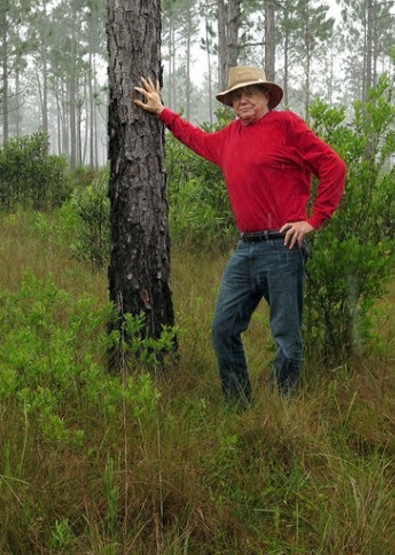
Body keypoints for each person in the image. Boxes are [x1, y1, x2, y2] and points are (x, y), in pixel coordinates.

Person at [133, 65, 346, 407]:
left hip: (283, 247)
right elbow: (196, 139)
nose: (242, 99)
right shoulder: (229, 136)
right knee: (223, 328)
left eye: (250, 93)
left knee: (287, 338)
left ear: (266, 97)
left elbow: (333, 166)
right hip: (246, 249)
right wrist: (163, 112)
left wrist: (313, 220)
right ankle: (239, 406)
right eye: (236, 95)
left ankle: (283, 410)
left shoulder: (286, 125)